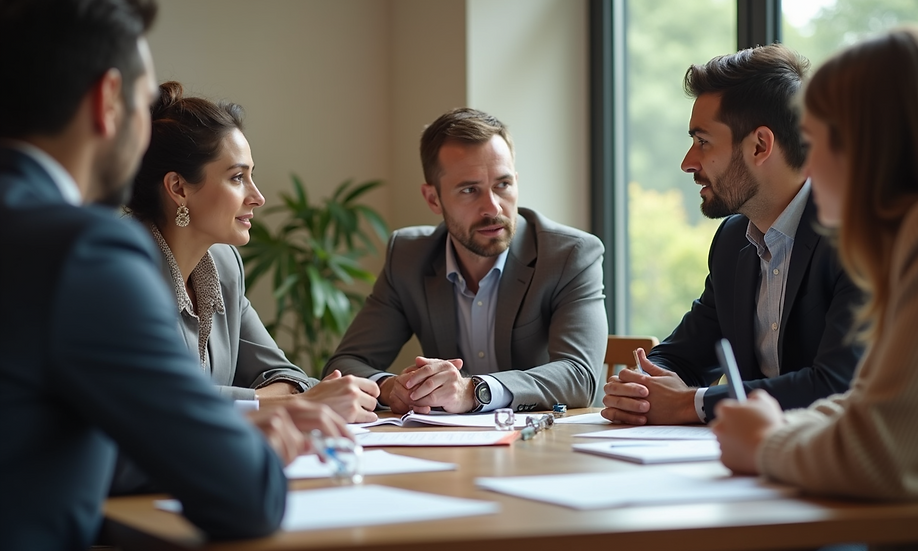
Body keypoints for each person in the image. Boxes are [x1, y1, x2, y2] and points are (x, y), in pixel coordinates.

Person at [0, 0, 347, 548]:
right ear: (108, 101)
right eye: (142, 104)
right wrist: (220, 436)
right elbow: (246, 495)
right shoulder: (85, 251)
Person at [712, 26, 918, 501]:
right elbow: (868, 404)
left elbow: (883, 456)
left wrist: (764, 442)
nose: (807, 169)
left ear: (871, 144)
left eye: (814, 143)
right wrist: (780, 426)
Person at [602, 44, 863, 425]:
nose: (688, 162)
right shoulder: (733, 239)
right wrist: (642, 387)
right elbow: (683, 355)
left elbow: (837, 386)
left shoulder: (855, 236)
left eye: (703, 142)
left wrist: (692, 403)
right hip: (753, 465)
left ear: (760, 145)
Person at [126, 81, 380, 423]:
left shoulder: (223, 264)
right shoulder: (125, 267)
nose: (257, 197)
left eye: (251, 176)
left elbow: (289, 378)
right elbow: (160, 400)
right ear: (178, 188)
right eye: (236, 178)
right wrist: (288, 405)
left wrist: (281, 399)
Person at [326, 107, 607, 414]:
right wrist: (392, 387)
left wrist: (474, 391)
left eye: (503, 185)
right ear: (433, 199)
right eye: (470, 190)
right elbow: (345, 364)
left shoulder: (569, 255)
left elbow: (580, 377)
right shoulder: (408, 256)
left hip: (541, 446)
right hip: (448, 448)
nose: (492, 207)